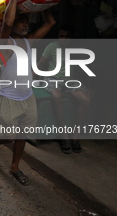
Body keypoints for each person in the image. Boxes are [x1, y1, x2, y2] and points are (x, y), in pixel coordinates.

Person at [0, 0, 56, 186]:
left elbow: (50, 23)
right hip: (9, 97)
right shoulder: (6, 42)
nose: (25, 24)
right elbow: (6, 23)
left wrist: (44, 3)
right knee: (10, 135)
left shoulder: (28, 40)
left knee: (22, 135)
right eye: (21, 21)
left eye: (27, 21)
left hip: (28, 96)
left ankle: (15, 167)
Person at [37, 24, 91, 154]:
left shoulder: (74, 48)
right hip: (52, 78)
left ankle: (75, 134)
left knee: (86, 100)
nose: (63, 39)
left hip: (68, 81)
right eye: (61, 36)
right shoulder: (51, 46)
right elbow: (39, 66)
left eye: (67, 36)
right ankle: (64, 133)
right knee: (57, 96)